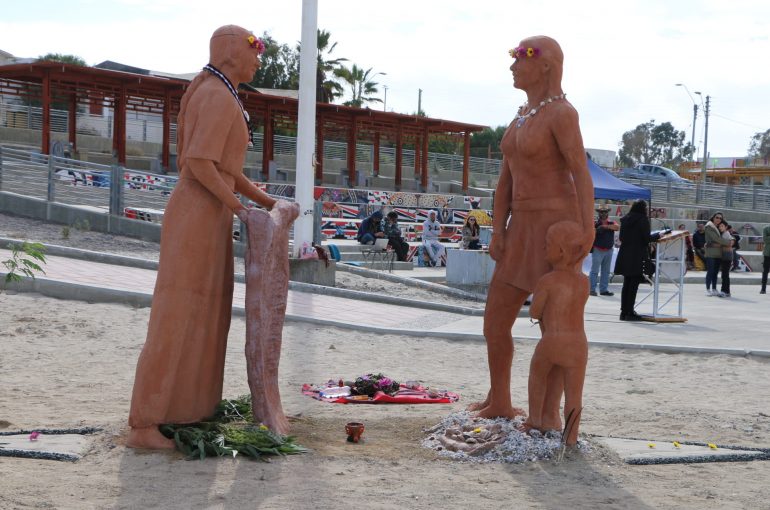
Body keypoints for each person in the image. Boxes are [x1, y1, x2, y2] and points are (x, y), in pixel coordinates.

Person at [128, 25, 278, 449]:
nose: (258, 60)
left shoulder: (223, 91)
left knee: (206, 314)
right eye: (254, 52)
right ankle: (146, 422)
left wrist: (264, 201)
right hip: (197, 214)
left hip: (209, 214)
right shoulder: (214, 93)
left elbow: (225, 167)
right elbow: (199, 163)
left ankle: (186, 408)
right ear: (231, 54)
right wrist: (239, 207)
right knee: (178, 314)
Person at [472, 36, 595, 421]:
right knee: (495, 321)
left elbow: (580, 172)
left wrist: (587, 229)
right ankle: (500, 401)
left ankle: (550, 414)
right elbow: (504, 181)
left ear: (545, 66)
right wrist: (498, 230)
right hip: (520, 225)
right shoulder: (521, 115)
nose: (512, 67)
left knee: (555, 324)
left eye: (520, 59)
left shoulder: (562, 114)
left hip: (554, 228)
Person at [521, 221, 589, 446]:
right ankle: (571, 437)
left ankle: (535, 420)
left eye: (547, 244)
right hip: (578, 344)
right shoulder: (584, 282)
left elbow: (534, 310)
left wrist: (539, 313)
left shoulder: (548, 281)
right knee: (574, 394)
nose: (543, 249)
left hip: (553, 341)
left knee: (537, 375)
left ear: (560, 252)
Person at [613, 200, 662, 321]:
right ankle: (630, 312)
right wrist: (658, 235)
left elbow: (622, 237)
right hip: (636, 256)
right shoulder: (642, 219)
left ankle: (624, 312)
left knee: (627, 284)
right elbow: (647, 238)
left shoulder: (625, 219)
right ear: (642, 208)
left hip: (625, 254)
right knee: (633, 285)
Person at [589, 205, 618, 296]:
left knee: (606, 271)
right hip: (598, 249)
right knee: (594, 270)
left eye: (605, 211)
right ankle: (591, 289)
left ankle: (603, 290)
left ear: (607, 213)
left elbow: (617, 227)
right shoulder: (595, 223)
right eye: (602, 212)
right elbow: (591, 231)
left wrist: (605, 227)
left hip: (608, 250)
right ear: (599, 213)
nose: (603, 213)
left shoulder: (611, 222)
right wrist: (597, 229)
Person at [703, 212, 732, 297]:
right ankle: (708, 289)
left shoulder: (718, 227)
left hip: (719, 254)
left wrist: (730, 241)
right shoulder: (709, 226)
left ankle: (714, 289)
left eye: (720, 218)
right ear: (713, 217)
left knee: (715, 272)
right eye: (717, 217)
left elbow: (727, 234)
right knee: (710, 271)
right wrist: (728, 243)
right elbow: (716, 239)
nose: (718, 219)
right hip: (711, 253)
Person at [719, 222, 733, 297]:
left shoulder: (726, 234)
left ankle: (724, 291)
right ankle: (726, 291)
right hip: (725, 255)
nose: (720, 227)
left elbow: (730, 243)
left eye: (722, 226)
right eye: (719, 226)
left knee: (725, 274)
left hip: (727, 256)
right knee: (725, 274)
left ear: (726, 227)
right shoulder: (724, 234)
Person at [761, 223, 770, 294]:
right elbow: (765, 239)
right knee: (765, 272)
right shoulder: (766, 228)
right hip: (768, 254)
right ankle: (763, 289)